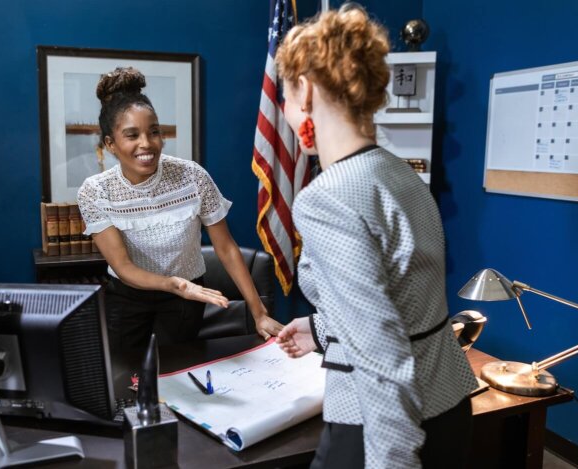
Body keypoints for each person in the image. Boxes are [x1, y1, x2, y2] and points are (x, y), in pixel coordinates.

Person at [273, 5, 477, 469]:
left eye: (284, 95)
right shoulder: (401, 174)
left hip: (382, 426)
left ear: (305, 90)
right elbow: (401, 302)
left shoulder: (326, 197)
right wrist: (321, 329)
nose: (285, 111)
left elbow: (383, 353)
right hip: (447, 403)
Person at [77, 67, 282, 352]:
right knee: (127, 379)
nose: (146, 144)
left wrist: (259, 313)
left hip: (184, 302)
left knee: (175, 375)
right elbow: (122, 267)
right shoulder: (95, 191)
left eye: (154, 132)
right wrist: (174, 283)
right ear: (110, 144)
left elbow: (227, 249)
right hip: (127, 301)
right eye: (132, 135)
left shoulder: (193, 177)